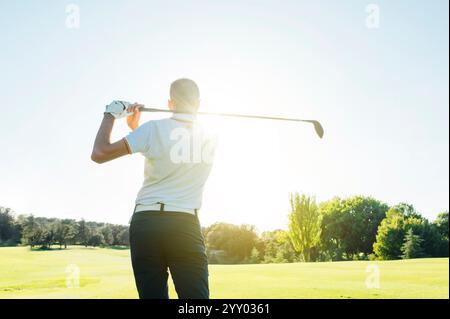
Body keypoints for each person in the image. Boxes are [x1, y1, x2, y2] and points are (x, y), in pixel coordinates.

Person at [91, 78, 215, 299]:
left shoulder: (152, 129)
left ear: (170, 103)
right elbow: (173, 149)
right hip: (185, 224)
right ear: (199, 104)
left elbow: (100, 153)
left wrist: (110, 114)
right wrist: (136, 130)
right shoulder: (210, 136)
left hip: (147, 223)